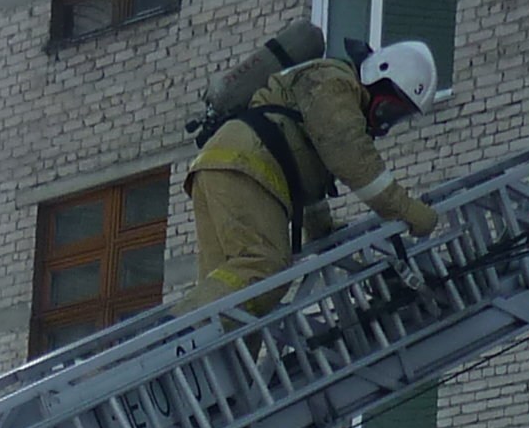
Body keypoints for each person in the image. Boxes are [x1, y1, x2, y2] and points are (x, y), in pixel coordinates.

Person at [179, 38, 442, 311]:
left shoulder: (330, 101)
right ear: (378, 75)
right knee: (263, 265)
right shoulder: (334, 83)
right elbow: (351, 158)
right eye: (391, 108)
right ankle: (175, 338)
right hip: (246, 166)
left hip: (223, 166)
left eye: (398, 116)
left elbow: (309, 176)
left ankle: (200, 351)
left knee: (238, 298)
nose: (387, 121)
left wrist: (322, 230)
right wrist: (408, 211)